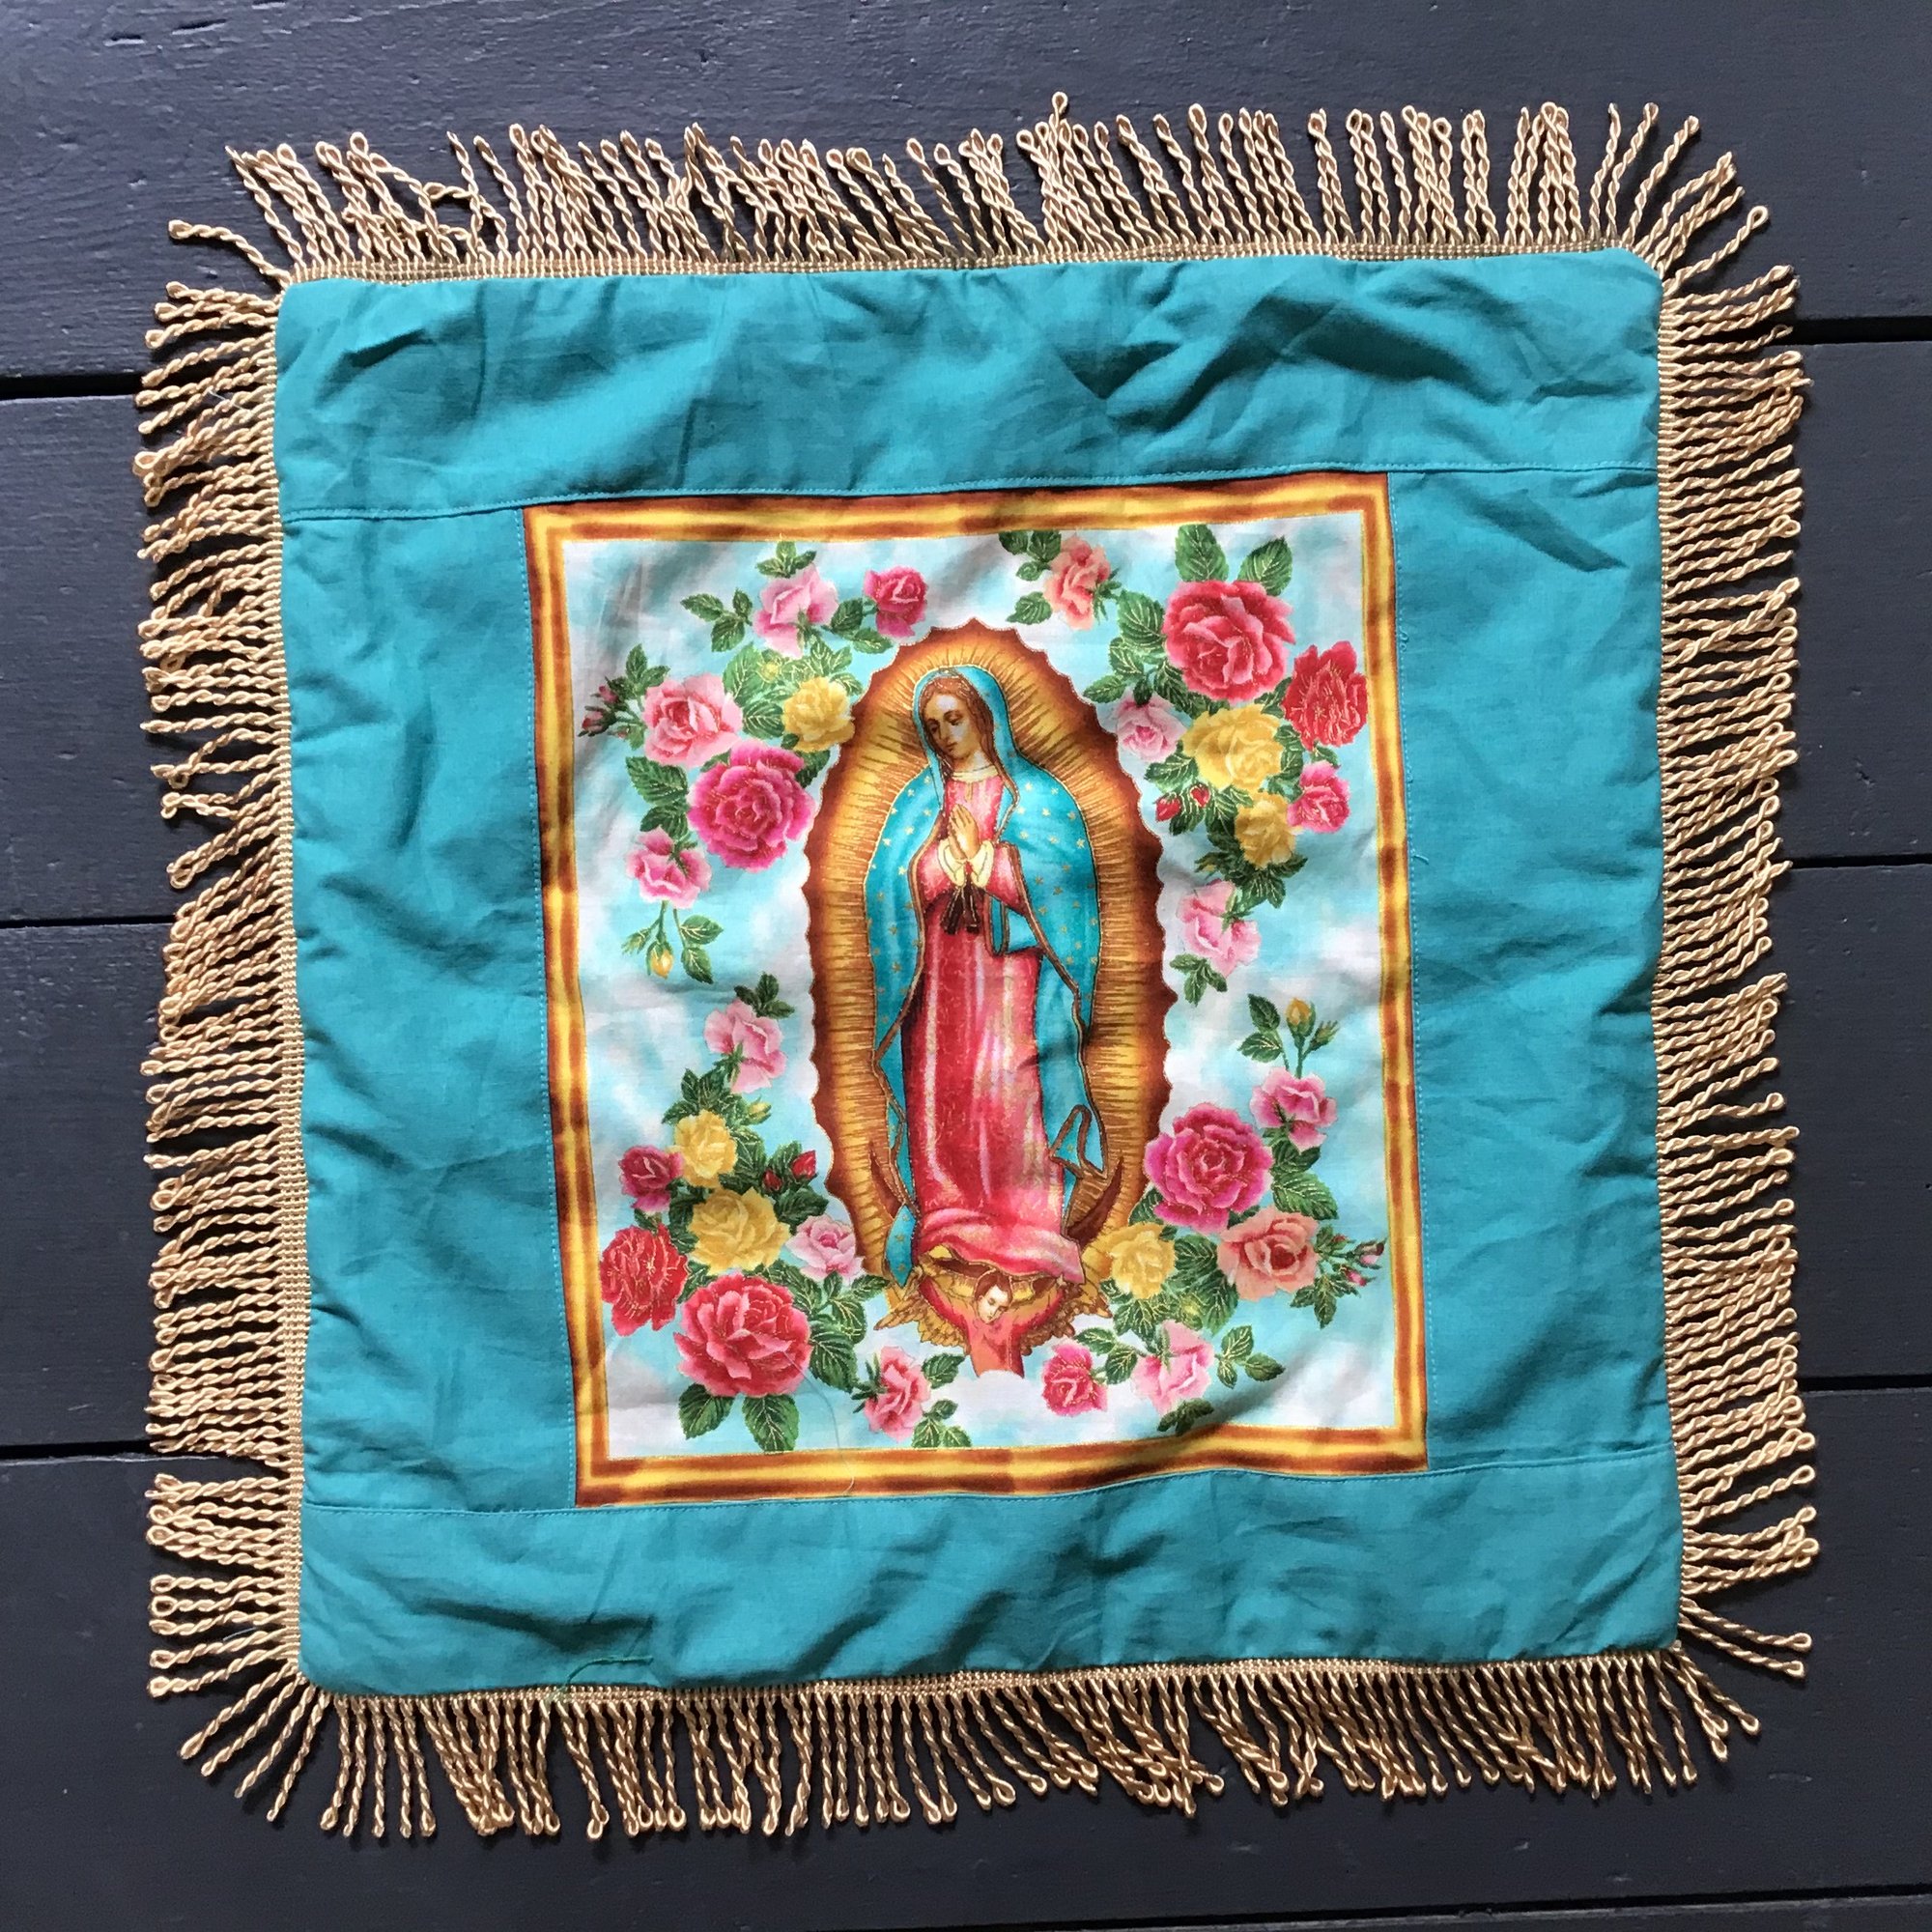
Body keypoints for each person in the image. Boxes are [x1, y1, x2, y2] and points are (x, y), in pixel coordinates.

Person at [865, 667, 1105, 1373]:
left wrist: (995, 865)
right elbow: (885, 889)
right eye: (933, 725)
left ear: (985, 717)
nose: (945, 735)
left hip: (1013, 981)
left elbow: (1070, 892)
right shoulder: (919, 802)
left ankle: (1026, 1224)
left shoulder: (1041, 797)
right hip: (939, 982)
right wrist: (937, 869)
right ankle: (947, 1213)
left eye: (955, 719)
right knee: (946, 1091)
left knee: (1011, 1089)